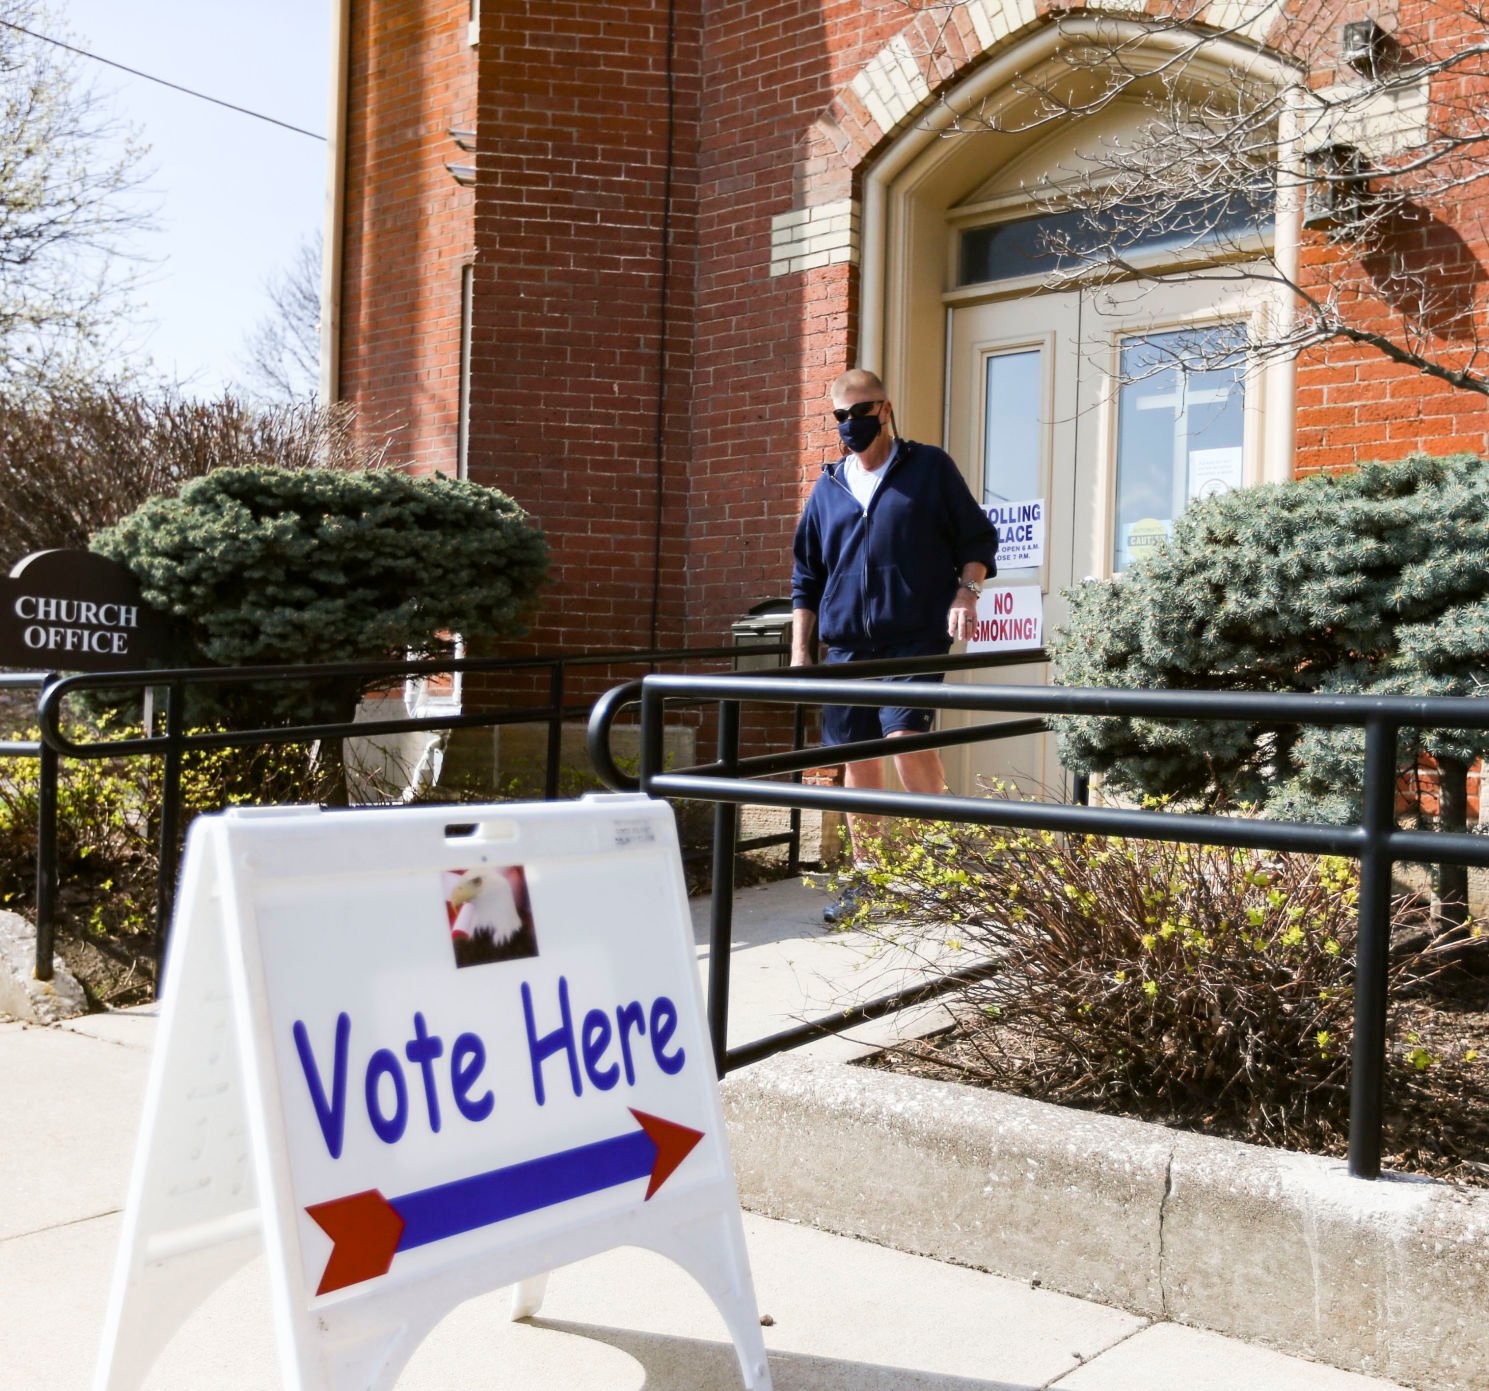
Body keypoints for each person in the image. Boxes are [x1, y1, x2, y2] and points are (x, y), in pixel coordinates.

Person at [791, 368, 997, 922]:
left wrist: (967, 590)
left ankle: (945, 870)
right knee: (856, 756)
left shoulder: (928, 468)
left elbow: (976, 538)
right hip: (846, 647)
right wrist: (799, 653)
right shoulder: (828, 487)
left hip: (914, 636)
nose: (850, 425)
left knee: (905, 739)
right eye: (841, 417)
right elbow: (805, 578)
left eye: (861, 412)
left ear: (885, 409)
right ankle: (872, 875)